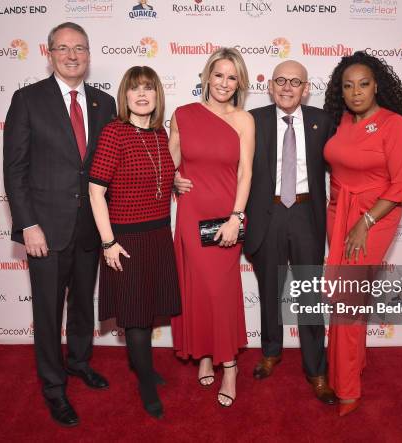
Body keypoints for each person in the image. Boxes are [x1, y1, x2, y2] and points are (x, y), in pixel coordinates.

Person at [3, 22, 116, 427]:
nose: (72, 55)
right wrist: (28, 224)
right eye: (63, 48)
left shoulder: (105, 104)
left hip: (90, 230)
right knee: (48, 311)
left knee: (84, 304)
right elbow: (14, 170)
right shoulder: (27, 100)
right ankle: (53, 387)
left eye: (80, 48)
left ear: (89, 53)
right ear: (48, 53)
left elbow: (110, 169)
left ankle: (80, 362)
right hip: (45, 231)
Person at [323, 51, 402, 416]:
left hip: (373, 218)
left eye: (363, 84)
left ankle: (348, 387)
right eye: (348, 86)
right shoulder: (342, 121)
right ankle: (347, 367)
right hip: (339, 213)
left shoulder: (392, 124)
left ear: (376, 85)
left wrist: (363, 224)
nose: (356, 92)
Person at [88, 66, 181, 419]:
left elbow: (160, 177)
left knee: (150, 308)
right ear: (124, 96)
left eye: (148, 89)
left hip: (158, 234)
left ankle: (145, 370)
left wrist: (178, 182)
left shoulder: (160, 134)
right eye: (134, 89)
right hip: (125, 238)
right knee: (137, 318)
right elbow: (96, 191)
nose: (142, 95)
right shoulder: (115, 132)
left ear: (157, 95)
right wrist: (108, 242)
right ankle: (144, 383)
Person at [169, 47, 255, 407]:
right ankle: (204, 354)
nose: (223, 83)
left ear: (240, 83)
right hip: (190, 215)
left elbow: (245, 172)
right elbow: (168, 162)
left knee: (220, 291)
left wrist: (237, 217)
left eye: (231, 77)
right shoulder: (182, 114)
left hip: (225, 217)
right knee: (197, 290)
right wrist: (174, 179)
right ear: (206, 76)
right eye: (218, 75)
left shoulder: (244, 120)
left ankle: (230, 367)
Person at [246, 61, 336, 404]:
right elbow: (231, 164)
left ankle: (316, 370)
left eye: (294, 82)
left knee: (309, 297)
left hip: (305, 214)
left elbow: (345, 164)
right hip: (266, 215)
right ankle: (270, 352)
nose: (287, 87)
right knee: (269, 290)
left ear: (305, 87)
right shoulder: (253, 120)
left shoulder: (322, 121)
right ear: (270, 85)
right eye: (281, 80)